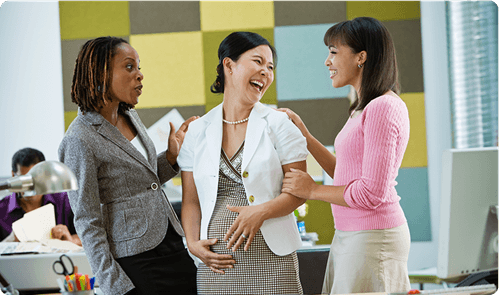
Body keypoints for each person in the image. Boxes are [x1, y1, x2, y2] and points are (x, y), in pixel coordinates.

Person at [280, 17, 412, 294]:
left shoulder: (382, 108)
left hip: (372, 237)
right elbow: (347, 174)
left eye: (333, 52)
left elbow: (372, 193)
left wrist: (312, 190)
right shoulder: (361, 109)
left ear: (361, 57)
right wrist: (304, 134)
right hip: (351, 234)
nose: (327, 62)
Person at [58, 36, 197, 295]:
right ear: (101, 72)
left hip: (172, 243)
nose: (140, 75)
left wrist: (169, 158)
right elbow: (87, 220)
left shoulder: (130, 114)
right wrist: (115, 285)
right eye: (129, 67)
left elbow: (142, 182)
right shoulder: (79, 139)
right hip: (137, 259)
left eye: (139, 67)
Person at [177, 31, 308, 295]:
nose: (266, 72)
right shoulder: (197, 131)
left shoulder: (279, 125)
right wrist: (192, 243)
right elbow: (191, 200)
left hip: (272, 262)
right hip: (215, 264)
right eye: (258, 62)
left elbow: (299, 192)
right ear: (229, 65)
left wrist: (261, 212)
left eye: (270, 67)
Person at [0, 147, 81, 245]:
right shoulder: (2, 210)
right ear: (13, 176)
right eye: (24, 180)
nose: (30, 187)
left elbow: (87, 236)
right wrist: (9, 241)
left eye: (35, 179)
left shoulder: (65, 201)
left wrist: (71, 240)